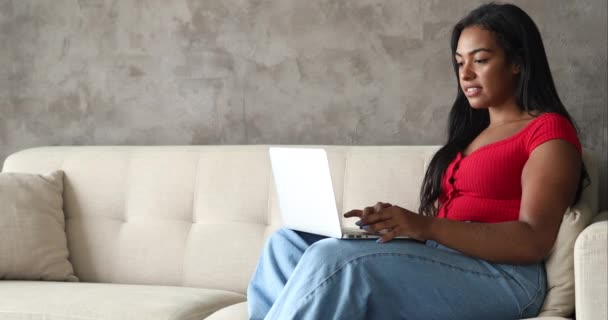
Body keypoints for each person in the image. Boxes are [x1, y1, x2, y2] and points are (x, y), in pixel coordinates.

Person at [247, 2, 589, 319]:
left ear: (518, 62)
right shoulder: (471, 134)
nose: (465, 74)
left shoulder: (547, 131)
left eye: (480, 60)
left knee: (333, 260)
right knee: (287, 242)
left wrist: (423, 225)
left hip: (504, 276)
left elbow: (533, 239)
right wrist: (393, 224)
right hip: (441, 257)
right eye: (459, 62)